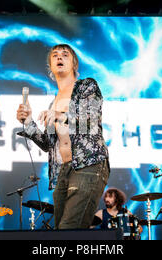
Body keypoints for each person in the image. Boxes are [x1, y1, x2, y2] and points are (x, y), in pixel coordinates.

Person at [16, 44, 110, 229]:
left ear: (74, 63)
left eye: (65, 55)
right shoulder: (54, 101)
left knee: (69, 228)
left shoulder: (86, 86)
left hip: (88, 165)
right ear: (50, 66)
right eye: (55, 55)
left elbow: (90, 119)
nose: (59, 57)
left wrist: (62, 116)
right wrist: (28, 122)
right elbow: (47, 143)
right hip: (63, 171)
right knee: (60, 230)